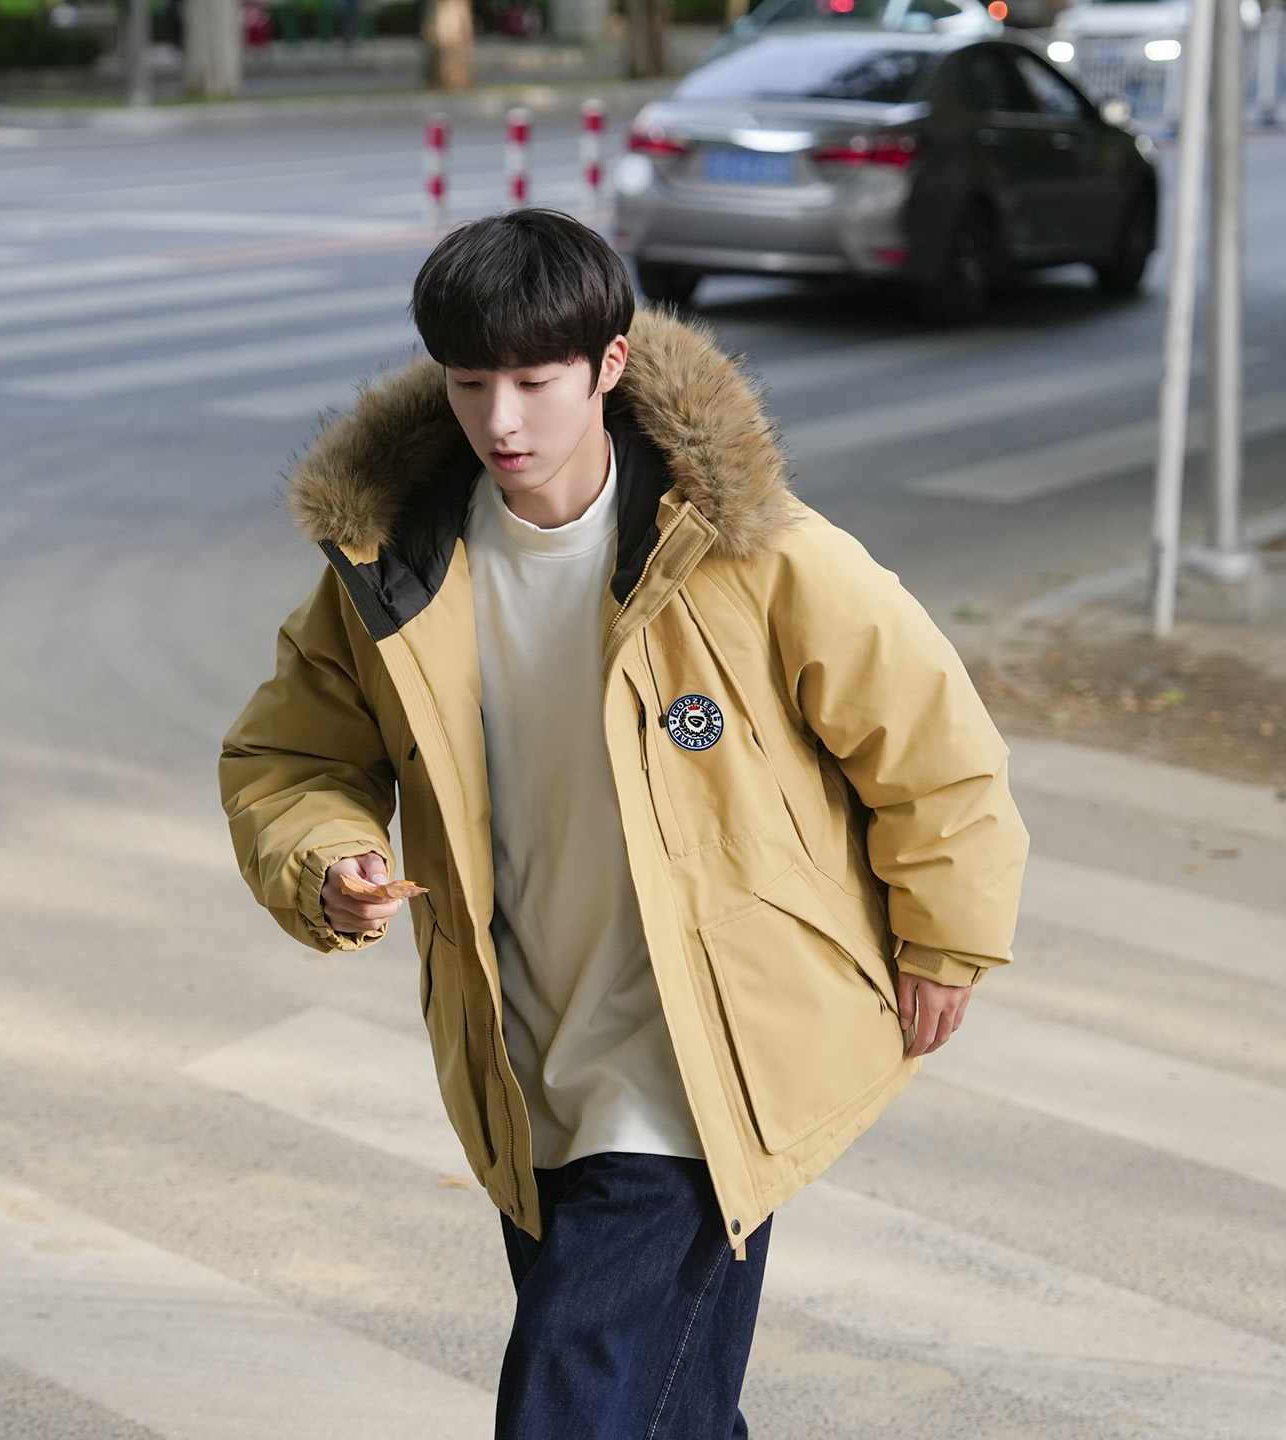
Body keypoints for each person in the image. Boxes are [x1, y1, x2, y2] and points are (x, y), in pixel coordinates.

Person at [219, 209, 1029, 1438]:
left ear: (607, 365)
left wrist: (946, 939)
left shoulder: (753, 551)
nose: (500, 420)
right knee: (663, 1412)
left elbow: (931, 743)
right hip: (526, 1051)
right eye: (469, 382)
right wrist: (329, 860)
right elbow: (290, 758)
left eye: (535, 382)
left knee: (573, 1404)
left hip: (701, 1052)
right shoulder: (399, 567)